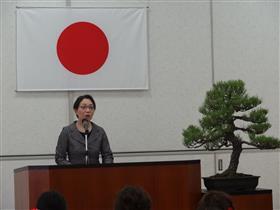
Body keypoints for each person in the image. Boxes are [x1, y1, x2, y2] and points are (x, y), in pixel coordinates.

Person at [55, 94, 113, 165]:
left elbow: (108, 156)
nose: (88, 110)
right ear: (76, 110)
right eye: (83, 107)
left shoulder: (100, 132)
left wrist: (105, 171)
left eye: (91, 107)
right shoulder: (67, 131)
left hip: (96, 174)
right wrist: (72, 170)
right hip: (74, 174)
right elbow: (59, 158)